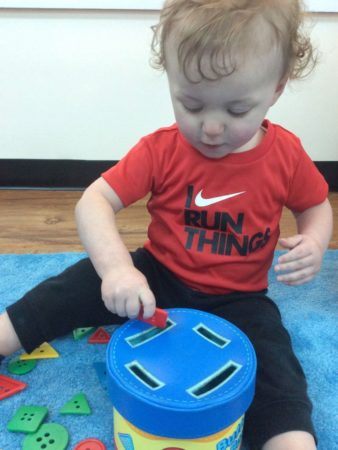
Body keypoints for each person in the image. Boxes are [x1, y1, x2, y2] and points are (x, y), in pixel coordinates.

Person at [0, 0, 333, 448]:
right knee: (66, 289)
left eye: (236, 110)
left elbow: (316, 205)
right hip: (155, 277)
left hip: (240, 301)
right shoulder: (161, 149)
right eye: (190, 104)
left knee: (276, 369)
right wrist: (118, 268)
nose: (211, 128)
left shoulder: (287, 155)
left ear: (276, 88)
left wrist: (314, 239)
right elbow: (94, 200)